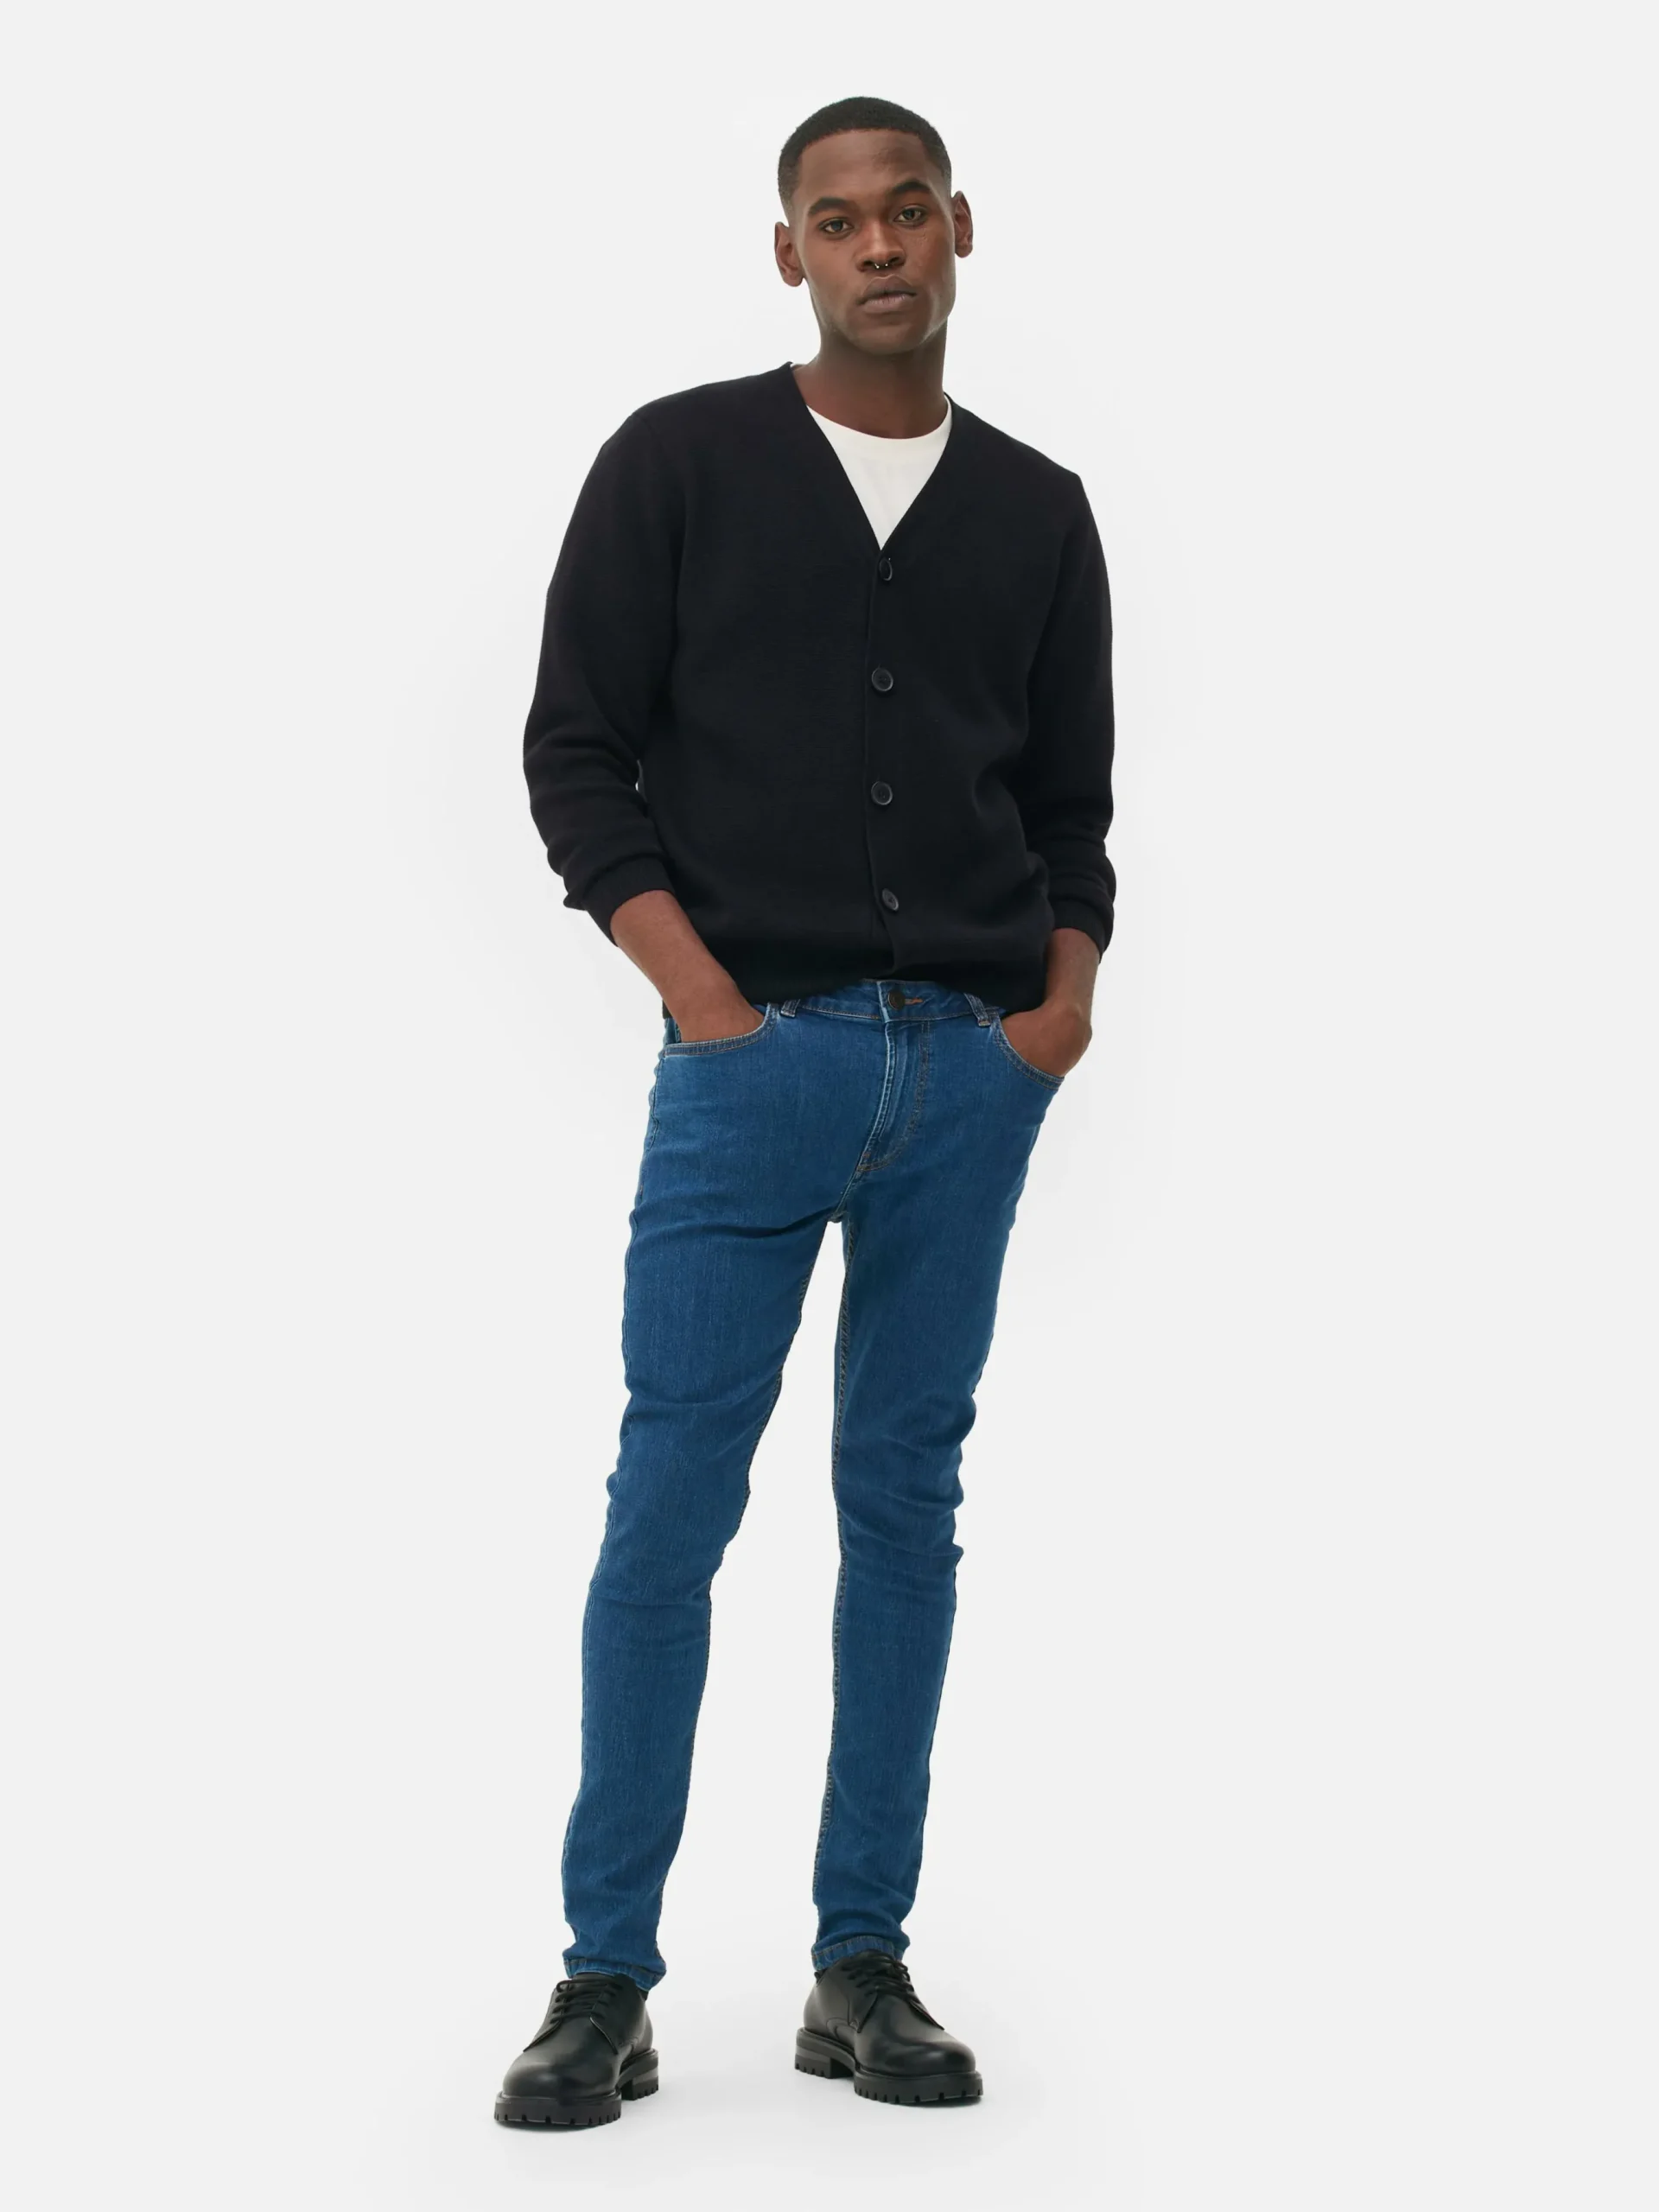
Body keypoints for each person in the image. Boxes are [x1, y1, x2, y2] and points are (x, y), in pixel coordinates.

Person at [494, 92, 1115, 2129]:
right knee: (669, 1503)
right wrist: (704, 999)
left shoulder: (1037, 510)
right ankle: (604, 1972)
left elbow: (1071, 809)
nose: (877, 246)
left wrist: (1054, 1015)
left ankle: (865, 1959)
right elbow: (576, 751)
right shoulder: (679, 463)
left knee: (905, 1506)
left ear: (960, 228)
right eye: (836, 220)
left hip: (971, 1074)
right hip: (751, 1066)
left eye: (906, 210)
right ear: (791, 253)